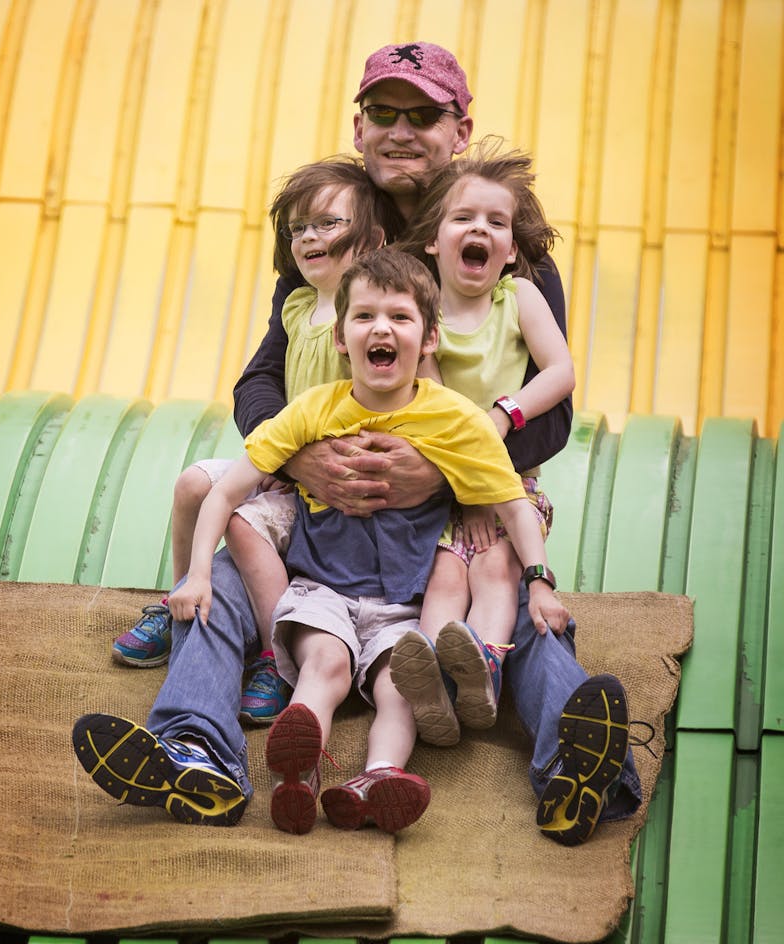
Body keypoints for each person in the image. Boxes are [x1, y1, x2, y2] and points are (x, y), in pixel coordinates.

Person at [236, 42, 641, 846]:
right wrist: (299, 455)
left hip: (468, 497)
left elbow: (554, 409)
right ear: (359, 125)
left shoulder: (509, 248)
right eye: (384, 112)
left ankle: (579, 767)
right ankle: (196, 747)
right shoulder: (331, 230)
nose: (401, 129)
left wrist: (451, 471)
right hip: (337, 496)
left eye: (424, 114)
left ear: (461, 130)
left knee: (514, 608)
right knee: (228, 561)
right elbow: (263, 381)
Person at [73, 248, 570, 834]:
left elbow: (512, 505)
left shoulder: (458, 422)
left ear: (430, 337)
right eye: (364, 317)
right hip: (322, 592)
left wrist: (539, 584)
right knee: (325, 664)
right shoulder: (312, 412)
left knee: (401, 683)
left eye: (400, 318)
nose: (381, 328)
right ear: (340, 338)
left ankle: (378, 778)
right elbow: (225, 492)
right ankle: (298, 775)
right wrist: (196, 577)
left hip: (405, 607)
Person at [110, 158, 402, 727]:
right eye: (299, 229)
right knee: (194, 482)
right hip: (287, 455)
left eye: (328, 224)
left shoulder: (366, 313)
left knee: (246, 525)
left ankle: (276, 654)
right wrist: (280, 453)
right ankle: (178, 601)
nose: (310, 237)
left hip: (330, 473)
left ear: (372, 239)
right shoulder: (295, 305)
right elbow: (260, 382)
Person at [383, 145, 577, 748]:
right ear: (434, 241)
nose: (481, 231)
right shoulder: (423, 308)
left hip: (512, 482)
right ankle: (436, 679)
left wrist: (504, 413)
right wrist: (464, 471)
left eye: (497, 223)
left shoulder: (518, 298)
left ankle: (486, 665)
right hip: (447, 484)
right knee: (444, 576)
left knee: (495, 567)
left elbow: (560, 372)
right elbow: (432, 397)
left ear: (513, 250)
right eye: (464, 218)